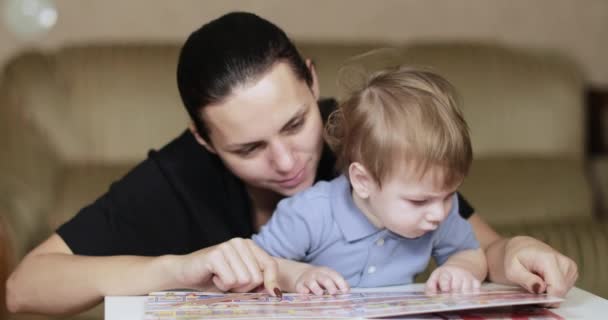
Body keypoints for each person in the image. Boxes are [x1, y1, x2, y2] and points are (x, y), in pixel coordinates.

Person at [6, 11, 577, 316]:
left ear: (312, 80)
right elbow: (25, 288)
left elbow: (483, 249)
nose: (286, 162)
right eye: (248, 149)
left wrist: (521, 251)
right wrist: (174, 269)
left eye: (295, 123)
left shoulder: (363, 134)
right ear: (203, 140)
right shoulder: (179, 175)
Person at [253, 67, 487, 294]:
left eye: (448, 195)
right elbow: (256, 263)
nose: (438, 213)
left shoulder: (439, 214)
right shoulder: (309, 213)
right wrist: (297, 276)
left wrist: (461, 269)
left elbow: (471, 254)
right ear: (363, 181)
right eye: (419, 201)